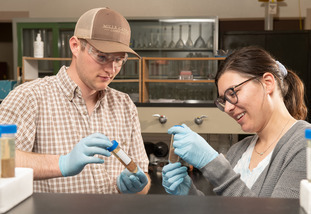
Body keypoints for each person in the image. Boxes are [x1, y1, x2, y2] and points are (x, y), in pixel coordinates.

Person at [0, 7, 151, 194]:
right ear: (75, 46)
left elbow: (143, 176)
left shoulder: (124, 105)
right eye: (102, 56)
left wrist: (132, 186)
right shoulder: (29, 97)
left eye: (119, 60)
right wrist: (62, 163)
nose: (111, 69)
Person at [162, 46, 311, 198]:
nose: (227, 108)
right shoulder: (238, 151)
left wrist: (213, 163)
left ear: (267, 83)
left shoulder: (305, 144)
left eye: (233, 93)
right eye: (223, 100)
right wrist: (190, 196)